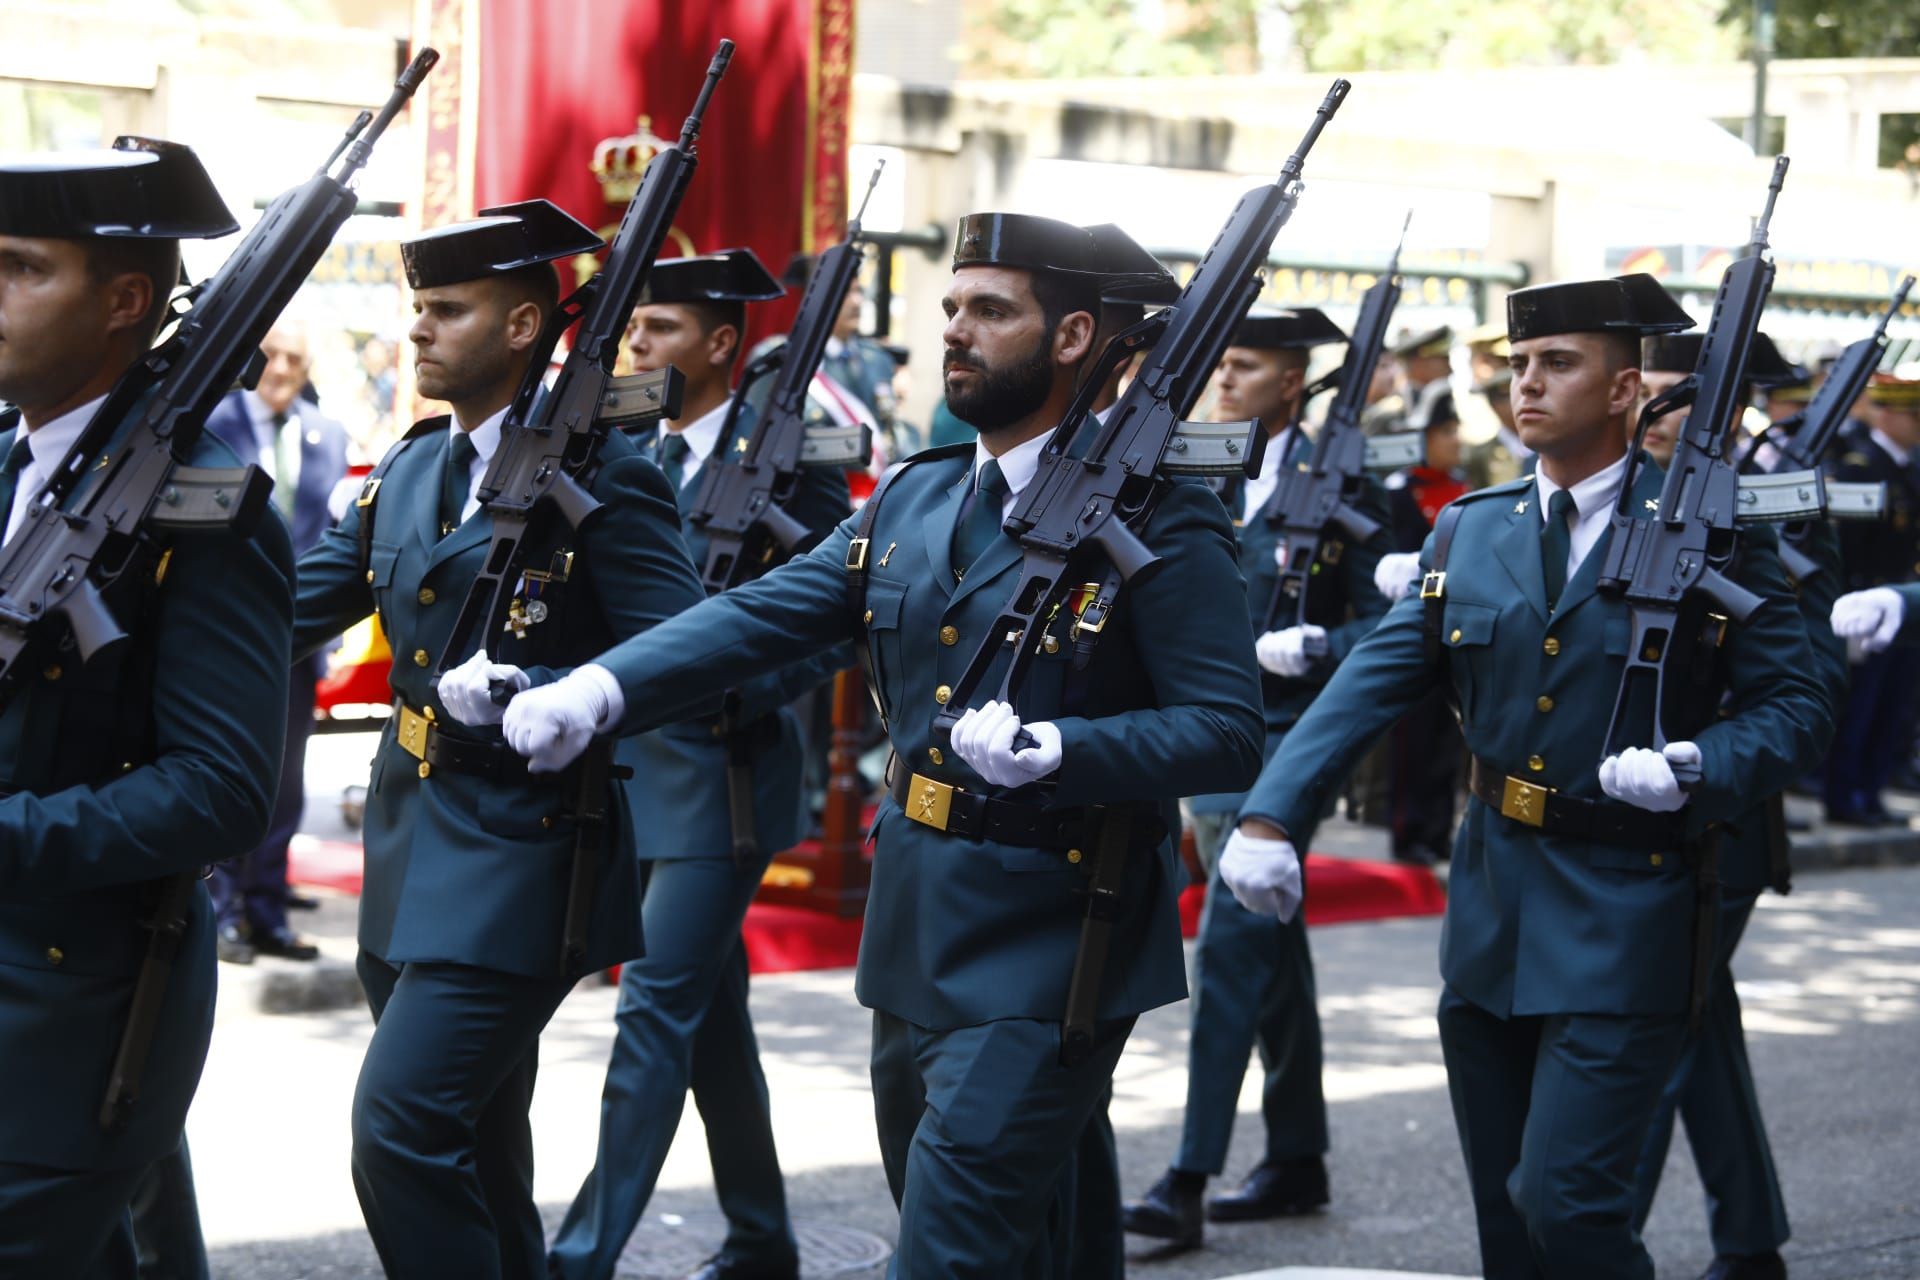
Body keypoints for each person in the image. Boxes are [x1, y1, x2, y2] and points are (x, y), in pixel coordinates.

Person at [462, 211, 1265, 1278]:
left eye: (991, 309)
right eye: (951, 308)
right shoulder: (921, 493)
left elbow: (1224, 731)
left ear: (1072, 337)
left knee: (944, 1245)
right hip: (916, 922)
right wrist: (601, 686)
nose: (957, 331)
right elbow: (762, 614)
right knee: (1036, 1236)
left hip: (1059, 934)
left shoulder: (1162, 519)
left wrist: (1065, 748)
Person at [1217, 273, 1831, 1279]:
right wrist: (1273, 813)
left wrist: (1699, 764)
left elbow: (1799, 707)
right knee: (1507, 1221)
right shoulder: (1475, 527)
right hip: (1495, 899)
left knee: (1569, 1205)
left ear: (1628, 388)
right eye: (1518, 365)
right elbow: (1374, 678)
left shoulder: (1713, 532)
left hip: (1634, 903)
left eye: (1557, 364)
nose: (1526, 385)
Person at [287, 200, 708, 1278]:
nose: (418, 330)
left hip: (525, 845)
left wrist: (552, 684)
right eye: (416, 307)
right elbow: (283, 605)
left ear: (525, 324)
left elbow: (685, 652)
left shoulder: (609, 476)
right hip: (408, 833)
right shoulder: (417, 466)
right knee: (475, 1141)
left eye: (447, 309)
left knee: (398, 1127)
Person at [0, 138, 295, 1276]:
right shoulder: (13, 466)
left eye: (22, 267)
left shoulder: (203, 512)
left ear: (127, 299)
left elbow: (220, 789)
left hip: (65, 1010)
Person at [549, 248, 852, 1280]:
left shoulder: (794, 464)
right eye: (635, 329)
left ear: (723, 344)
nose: (639, 346)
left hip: (723, 784)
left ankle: (580, 1254)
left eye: (662, 330)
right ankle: (763, 1237)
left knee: (650, 1015)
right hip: (632, 773)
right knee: (708, 1023)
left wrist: (733, 686)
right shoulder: (629, 453)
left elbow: (833, 621)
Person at [1122, 305, 1379, 1251]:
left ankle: (1186, 1177)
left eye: (1246, 367)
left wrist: (1317, 645)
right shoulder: (1185, 466)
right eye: (1218, 366)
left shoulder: (1345, 482)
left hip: (1288, 745)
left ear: (1293, 383)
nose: (1223, 381)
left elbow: (1399, 629)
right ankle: (1298, 1155)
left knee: (1229, 946)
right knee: (1272, 946)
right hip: (1204, 738)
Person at [1624, 328, 1844, 1280]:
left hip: (1718, 816)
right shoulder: (1620, 493)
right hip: (1619, 816)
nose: (1656, 412)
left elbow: (1806, 685)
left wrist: (1700, 759)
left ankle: (1586, 1243)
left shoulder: (1775, 503)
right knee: (1697, 1025)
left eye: (1678, 396)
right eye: (1652, 393)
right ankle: (1751, 1243)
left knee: (1641, 1035)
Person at [201, 317, 349, 964]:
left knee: (286, 784)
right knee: (226, 769)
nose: (282, 369)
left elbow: (334, 542)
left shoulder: (328, 436)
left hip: (298, 639)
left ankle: (266, 911)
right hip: (223, 636)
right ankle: (221, 910)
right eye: (270, 355)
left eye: (295, 357)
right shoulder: (211, 425)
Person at [1822, 375, 1920, 825]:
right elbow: (1846, 550)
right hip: (1866, 603)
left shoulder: (1907, 466)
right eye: (1914, 415)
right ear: (1887, 413)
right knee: (1859, 707)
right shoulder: (1861, 466)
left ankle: (1872, 792)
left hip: (1903, 608)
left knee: (1891, 707)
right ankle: (1845, 796)